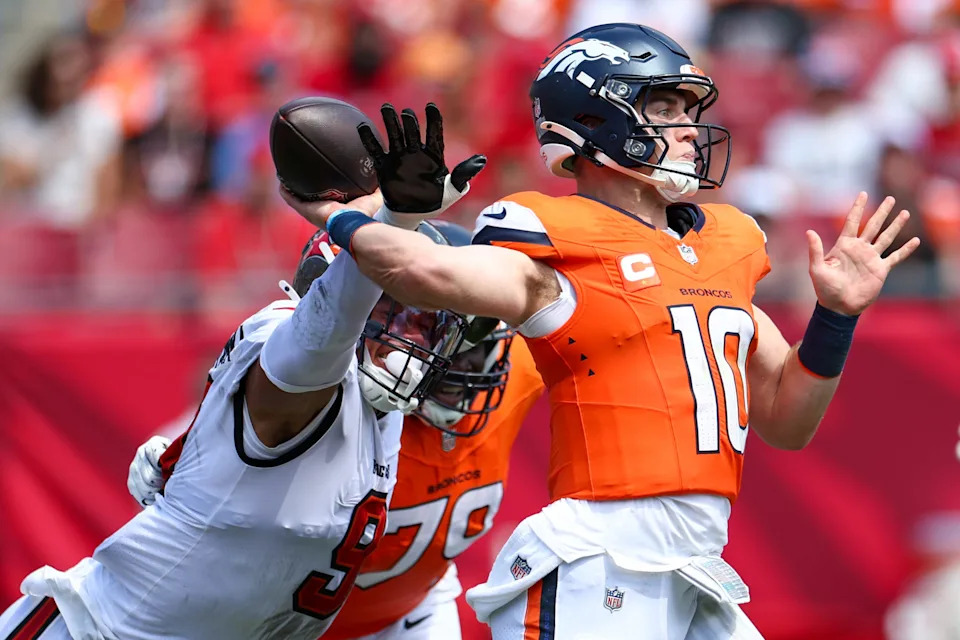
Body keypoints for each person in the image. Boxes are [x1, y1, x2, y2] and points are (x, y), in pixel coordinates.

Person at [281, 23, 921, 640]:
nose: (688, 130)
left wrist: (836, 316)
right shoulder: (553, 245)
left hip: (697, 560)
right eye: (665, 106)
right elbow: (422, 269)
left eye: (686, 109)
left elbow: (788, 421)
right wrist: (353, 216)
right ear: (595, 120)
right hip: (599, 556)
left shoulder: (725, 244)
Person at [0, 211, 482, 639]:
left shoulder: (387, 414)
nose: (409, 342)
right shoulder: (298, 348)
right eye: (391, 315)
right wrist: (394, 213)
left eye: (422, 324)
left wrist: (191, 459)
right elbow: (317, 342)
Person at [128, 221, 548, 640]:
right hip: (289, 624)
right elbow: (267, 406)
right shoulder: (345, 395)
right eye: (457, 353)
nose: (468, 372)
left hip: (413, 608)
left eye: (478, 353)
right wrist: (194, 451)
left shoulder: (516, 370)